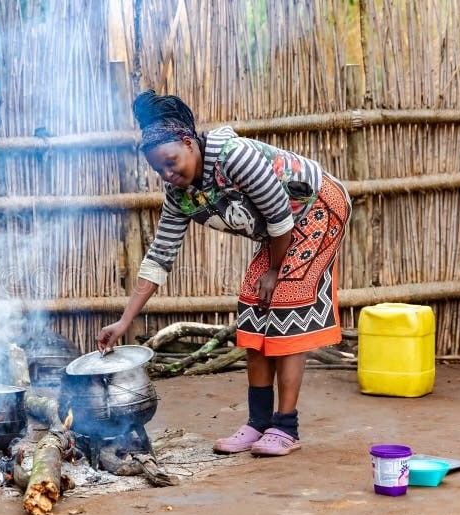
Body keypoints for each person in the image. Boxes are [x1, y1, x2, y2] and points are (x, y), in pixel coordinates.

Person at [96, 90, 352, 457]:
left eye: (171, 162)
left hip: (318, 208)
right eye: (159, 170)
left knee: (285, 304)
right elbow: (159, 255)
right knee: (253, 308)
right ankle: (257, 422)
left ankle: (286, 427)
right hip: (279, 231)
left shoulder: (234, 157)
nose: (168, 174)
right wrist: (124, 321)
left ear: (188, 143)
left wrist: (277, 269)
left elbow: (280, 214)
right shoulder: (179, 194)